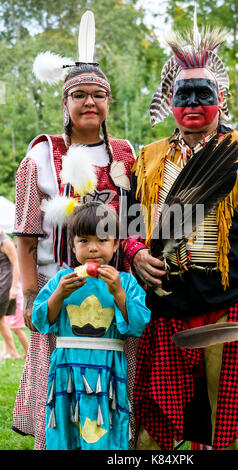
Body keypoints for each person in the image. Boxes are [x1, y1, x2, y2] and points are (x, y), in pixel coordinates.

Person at [120, 20, 238, 450]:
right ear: (169, 103)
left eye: (204, 95)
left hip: (228, 308)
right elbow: (129, 225)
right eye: (184, 96)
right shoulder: (148, 159)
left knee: (230, 424)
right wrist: (136, 253)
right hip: (167, 309)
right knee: (157, 425)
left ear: (221, 101)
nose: (193, 104)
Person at [12, 11, 136, 450]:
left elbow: (135, 225)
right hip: (56, 290)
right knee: (57, 394)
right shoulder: (41, 158)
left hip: (111, 293)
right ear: (64, 103)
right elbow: (25, 235)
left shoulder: (125, 155)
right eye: (79, 95)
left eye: (98, 95)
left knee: (110, 398)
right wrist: (30, 296)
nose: (89, 102)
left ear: (109, 102)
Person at [31, 203, 150, 450]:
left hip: (107, 373)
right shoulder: (61, 281)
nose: (93, 248)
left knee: (105, 435)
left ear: (116, 244)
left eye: (102, 240)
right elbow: (41, 321)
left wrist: (118, 292)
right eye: (84, 240)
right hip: (68, 372)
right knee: (66, 432)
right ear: (73, 246)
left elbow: (138, 325)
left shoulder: (125, 282)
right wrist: (58, 296)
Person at [0, 231, 21, 359]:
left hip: (6, 283)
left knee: (0, 319)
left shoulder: (6, 241)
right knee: (2, 319)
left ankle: (13, 352)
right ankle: (8, 350)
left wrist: (13, 288)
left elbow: (16, 264)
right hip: (2, 281)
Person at [4, 282, 29, 358]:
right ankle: (8, 351)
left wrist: (14, 288)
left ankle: (28, 352)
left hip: (17, 302)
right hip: (11, 300)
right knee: (7, 325)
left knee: (17, 328)